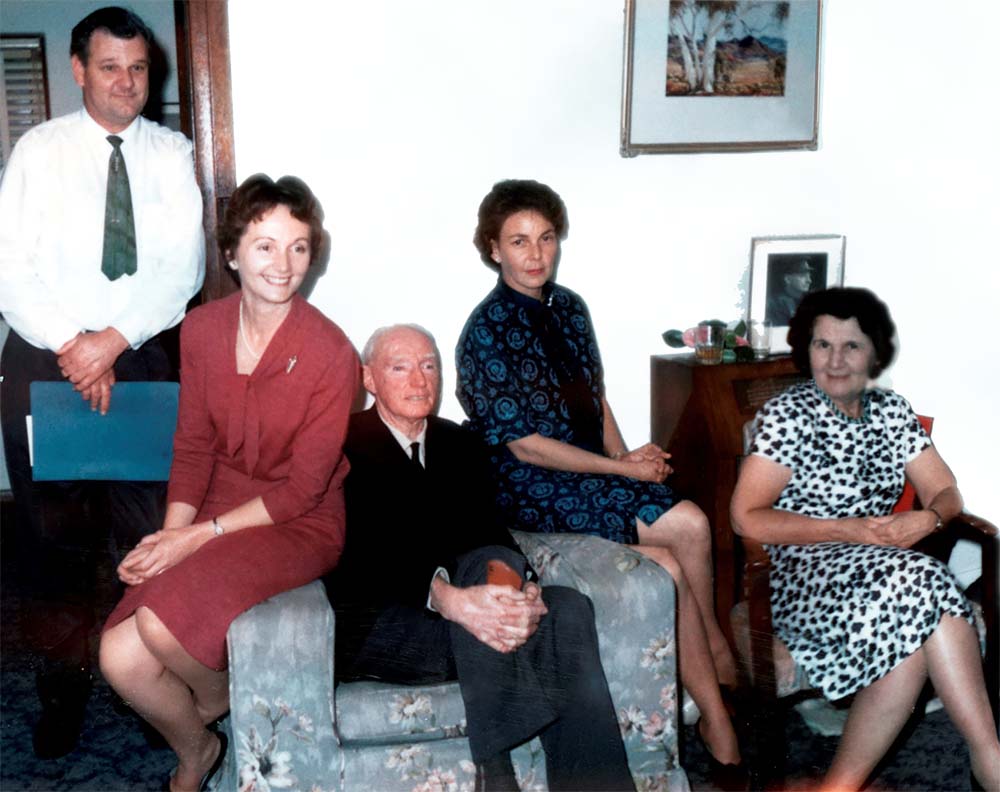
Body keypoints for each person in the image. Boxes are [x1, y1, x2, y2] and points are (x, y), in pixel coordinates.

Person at [455, 179, 742, 774]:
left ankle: (711, 648)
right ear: (493, 250)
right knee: (675, 541)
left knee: (690, 523)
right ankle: (717, 694)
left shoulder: (572, 308)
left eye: (546, 238)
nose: (535, 255)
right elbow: (526, 447)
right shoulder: (483, 333)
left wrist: (631, 460)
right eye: (518, 242)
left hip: (591, 470)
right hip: (528, 483)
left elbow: (596, 401)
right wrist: (619, 468)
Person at [98, 174, 358, 792]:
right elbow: (192, 446)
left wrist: (194, 542)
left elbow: (301, 491)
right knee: (118, 658)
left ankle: (213, 708)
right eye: (265, 244)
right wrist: (170, 537)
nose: (283, 263)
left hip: (300, 519)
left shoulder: (331, 354)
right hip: (216, 496)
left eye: (298, 246)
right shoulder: (202, 329)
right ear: (232, 252)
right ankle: (202, 746)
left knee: (161, 628)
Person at [0, 6, 204, 759]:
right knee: (52, 543)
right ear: (79, 69)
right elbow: (11, 267)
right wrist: (75, 347)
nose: (127, 83)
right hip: (43, 362)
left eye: (140, 68)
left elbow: (179, 269)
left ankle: (144, 688)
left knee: (144, 537)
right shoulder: (38, 150)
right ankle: (62, 696)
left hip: (142, 358)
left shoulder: (172, 152)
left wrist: (113, 342)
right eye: (110, 67)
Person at [326, 324, 635, 792]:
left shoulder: (459, 443)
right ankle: (496, 769)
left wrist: (524, 588)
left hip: (468, 609)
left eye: (429, 366)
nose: (419, 380)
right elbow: (357, 549)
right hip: (385, 622)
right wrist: (448, 599)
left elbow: (489, 531)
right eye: (400, 367)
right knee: (480, 592)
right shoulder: (341, 445)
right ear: (369, 379)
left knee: (566, 607)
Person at [730, 287, 1000, 791]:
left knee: (919, 617)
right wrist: (847, 530)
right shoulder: (788, 416)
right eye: (821, 345)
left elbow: (946, 490)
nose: (834, 360)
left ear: (874, 352)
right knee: (925, 582)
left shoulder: (893, 412)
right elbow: (746, 517)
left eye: (850, 346)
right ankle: (990, 757)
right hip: (804, 575)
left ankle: (840, 786)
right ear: (805, 350)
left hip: (884, 575)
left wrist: (928, 521)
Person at [765, 258, 813, 326]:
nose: (809, 281)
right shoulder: (774, 304)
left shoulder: (813, 301)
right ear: (787, 279)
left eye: (809, 276)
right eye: (803, 276)